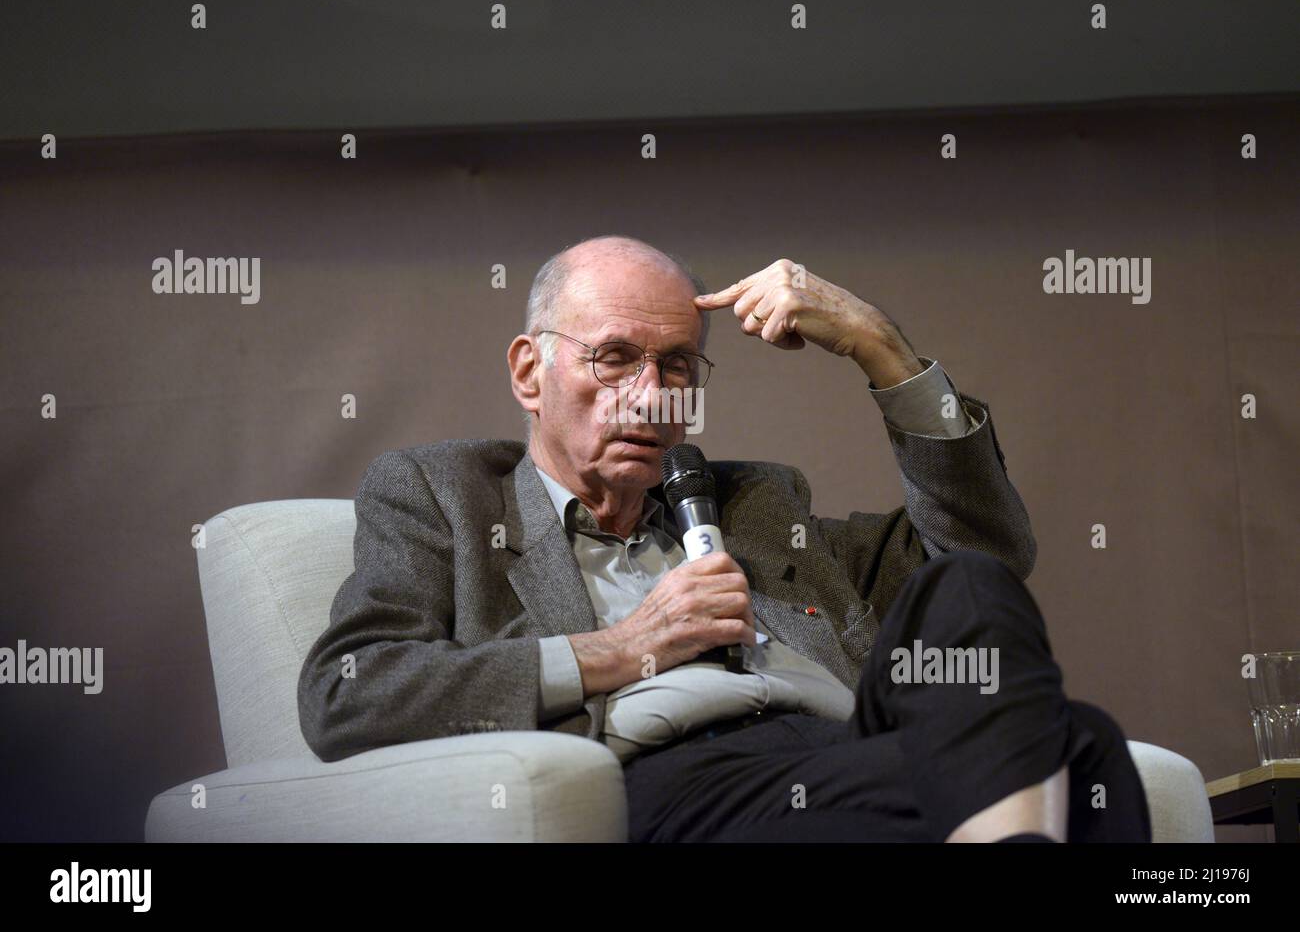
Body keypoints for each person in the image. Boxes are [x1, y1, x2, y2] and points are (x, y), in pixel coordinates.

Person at [297, 234, 1151, 842]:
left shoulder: (752, 503)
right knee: (1081, 754)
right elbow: (352, 691)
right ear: (530, 370)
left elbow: (987, 553)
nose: (649, 394)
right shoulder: (441, 493)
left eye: (675, 365)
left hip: (843, 747)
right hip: (679, 779)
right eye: (614, 357)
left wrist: (879, 348)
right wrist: (630, 644)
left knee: (985, 611)